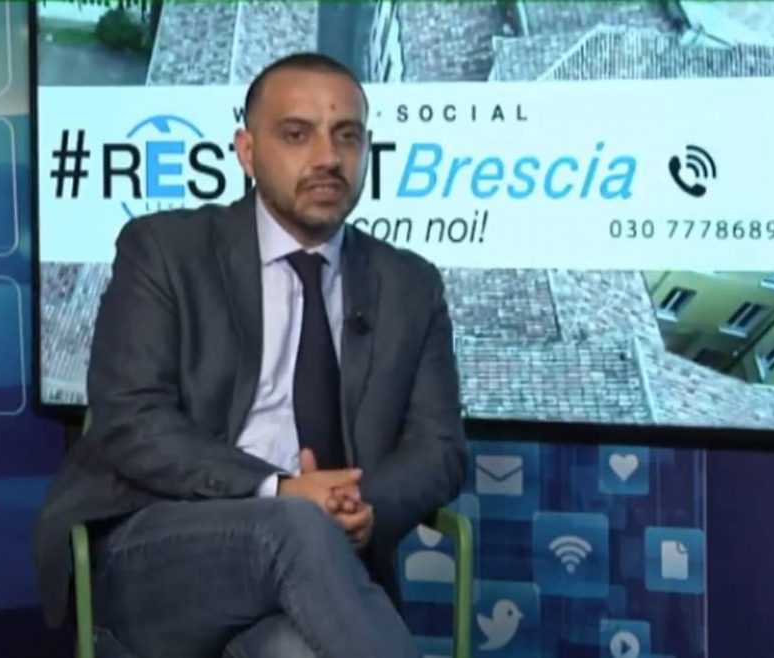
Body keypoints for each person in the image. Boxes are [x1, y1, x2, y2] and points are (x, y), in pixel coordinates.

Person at [33, 52, 467, 658]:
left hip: (319, 571)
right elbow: (130, 421)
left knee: (293, 649)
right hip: (158, 549)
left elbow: (439, 450)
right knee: (293, 525)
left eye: (347, 136)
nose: (328, 158)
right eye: (297, 134)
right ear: (246, 151)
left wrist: (364, 506)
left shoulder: (409, 284)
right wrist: (279, 489)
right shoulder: (165, 250)